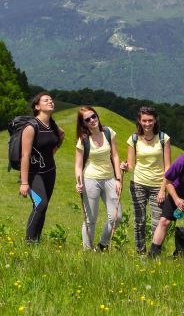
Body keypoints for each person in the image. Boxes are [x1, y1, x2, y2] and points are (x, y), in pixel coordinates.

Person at [120, 106, 172, 254]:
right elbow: (130, 165)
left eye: (150, 120)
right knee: (139, 221)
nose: (147, 123)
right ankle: (140, 252)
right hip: (138, 184)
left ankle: (154, 253)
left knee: (158, 223)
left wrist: (163, 189)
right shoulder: (134, 139)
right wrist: (124, 166)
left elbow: (168, 167)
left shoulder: (163, 138)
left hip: (158, 185)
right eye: (144, 120)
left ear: (155, 120)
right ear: (139, 121)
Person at [75, 106, 123, 250]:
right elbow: (78, 165)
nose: (92, 120)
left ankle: (102, 245)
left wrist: (118, 179)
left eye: (93, 116)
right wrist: (78, 182)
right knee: (90, 219)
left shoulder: (108, 132)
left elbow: (114, 155)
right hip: (90, 180)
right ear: (83, 123)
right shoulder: (83, 139)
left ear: (97, 116)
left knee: (116, 217)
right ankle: (87, 251)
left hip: (109, 179)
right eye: (87, 119)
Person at [19, 92, 65, 242]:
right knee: (41, 204)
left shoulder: (52, 125)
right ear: (37, 106)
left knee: (43, 208)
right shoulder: (31, 127)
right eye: (46, 100)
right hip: (33, 174)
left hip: (50, 173)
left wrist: (59, 141)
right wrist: (24, 183)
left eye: (51, 100)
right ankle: (29, 241)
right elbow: (24, 156)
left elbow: (51, 150)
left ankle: (36, 241)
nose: (50, 102)